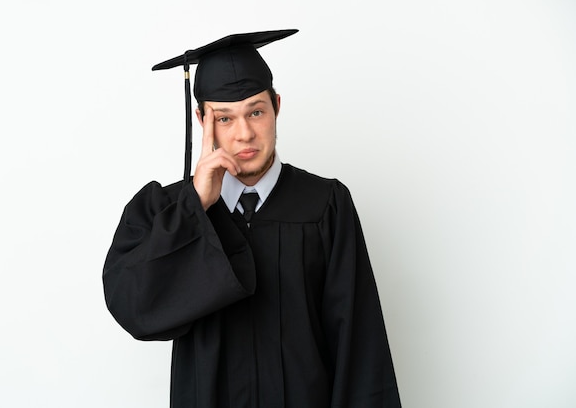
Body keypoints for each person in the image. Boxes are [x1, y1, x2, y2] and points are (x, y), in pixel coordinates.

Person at [103, 29, 402, 408]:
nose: (244, 134)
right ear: (201, 119)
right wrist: (195, 206)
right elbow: (134, 308)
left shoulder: (325, 205)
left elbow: (361, 349)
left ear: (277, 105)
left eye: (256, 112)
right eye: (224, 118)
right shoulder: (164, 209)